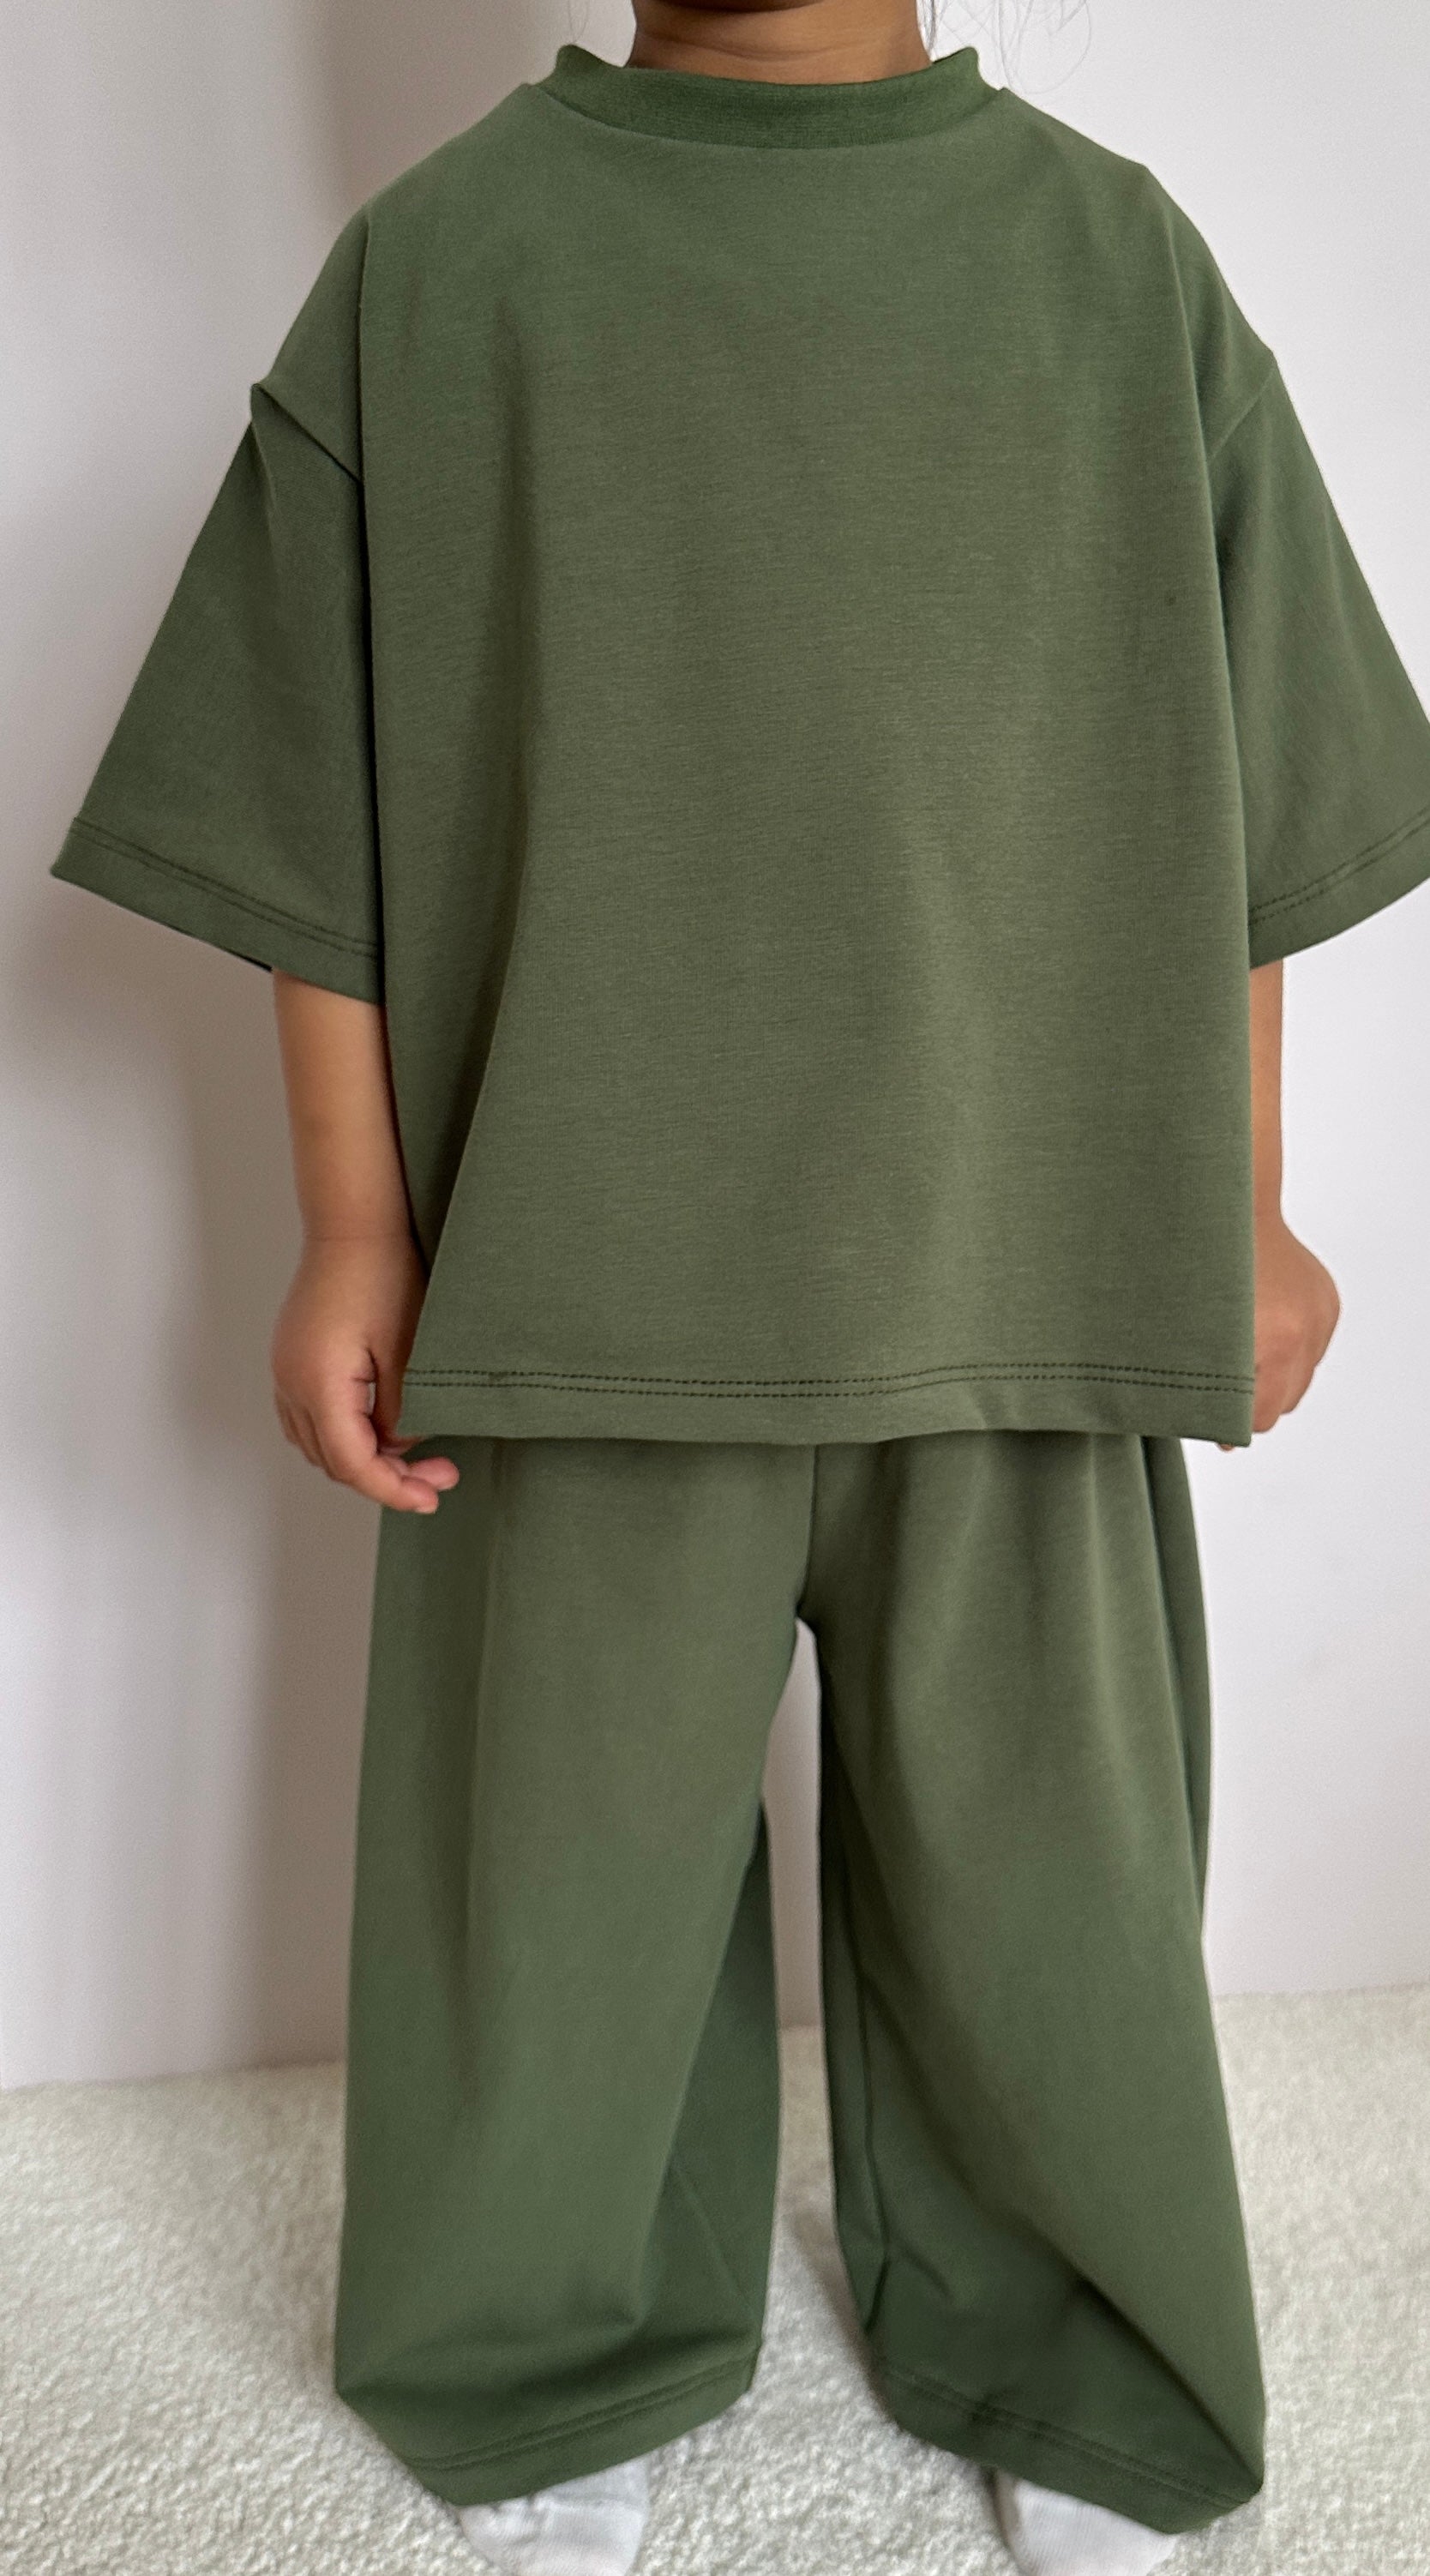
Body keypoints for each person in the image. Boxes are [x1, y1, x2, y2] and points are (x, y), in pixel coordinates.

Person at [49, 1, 1430, 2570]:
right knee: (545, 1897)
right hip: (566, 1280)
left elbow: (1249, 785)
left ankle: (1081, 2346)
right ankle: (544, 2351)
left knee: (1053, 1888)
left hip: (1018, 1268)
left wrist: (1234, 1197)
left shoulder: (1110, 263)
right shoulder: (446, 268)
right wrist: (354, 1223)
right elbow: (310, 811)